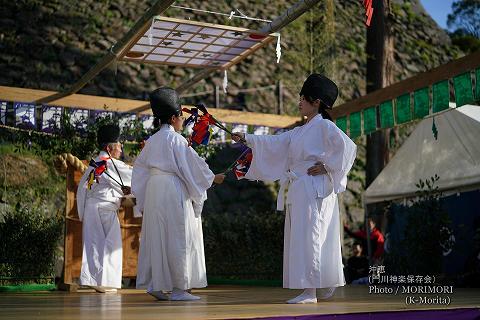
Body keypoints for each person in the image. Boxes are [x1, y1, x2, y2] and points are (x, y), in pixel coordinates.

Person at [232, 74, 357, 304]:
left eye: (303, 98)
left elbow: (348, 148)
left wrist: (328, 167)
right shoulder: (302, 130)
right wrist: (247, 138)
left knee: (312, 236)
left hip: (314, 187)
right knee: (305, 237)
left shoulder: (325, 126)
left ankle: (310, 292)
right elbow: (275, 142)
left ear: (316, 102)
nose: (299, 102)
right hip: (301, 187)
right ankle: (320, 283)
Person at [132, 87, 226, 301]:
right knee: (177, 235)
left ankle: (156, 283)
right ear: (174, 117)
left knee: (157, 235)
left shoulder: (152, 142)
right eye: (181, 117)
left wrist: (143, 196)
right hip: (173, 188)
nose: (183, 121)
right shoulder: (177, 140)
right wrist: (212, 178)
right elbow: (191, 167)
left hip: (154, 189)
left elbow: (139, 170)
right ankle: (178, 289)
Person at [77, 124, 132, 293]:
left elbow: (81, 190)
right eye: (119, 146)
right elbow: (137, 178)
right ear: (109, 148)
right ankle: (106, 282)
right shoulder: (111, 164)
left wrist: (82, 213)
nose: (121, 150)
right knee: (110, 245)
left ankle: (95, 280)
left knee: (94, 244)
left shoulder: (94, 164)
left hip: (91, 208)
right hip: (105, 209)